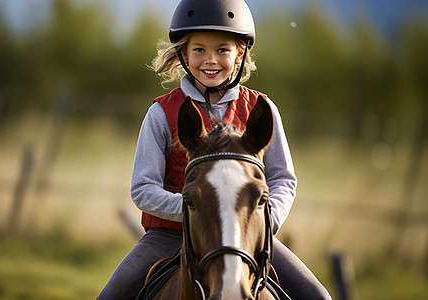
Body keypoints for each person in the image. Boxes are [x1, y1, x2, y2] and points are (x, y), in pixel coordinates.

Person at [98, 0, 331, 299]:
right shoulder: (160, 113)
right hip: (170, 236)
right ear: (184, 54)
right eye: (199, 50)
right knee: (110, 296)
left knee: (317, 296)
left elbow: (283, 178)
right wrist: (197, 211)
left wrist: (262, 219)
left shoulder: (262, 110)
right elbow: (143, 188)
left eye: (222, 49)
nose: (210, 60)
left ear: (240, 54)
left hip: (246, 234)